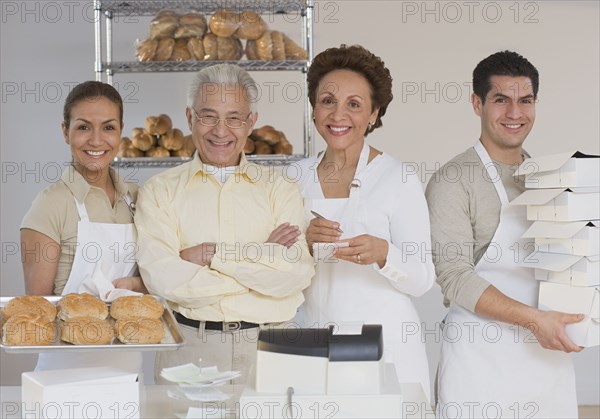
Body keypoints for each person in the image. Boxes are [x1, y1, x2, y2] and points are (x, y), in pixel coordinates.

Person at [425, 50, 582, 418]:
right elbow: (454, 277)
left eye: (525, 100)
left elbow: (566, 262)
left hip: (548, 360)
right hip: (480, 363)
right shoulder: (453, 180)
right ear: (477, 103)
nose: (515, 113)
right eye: (501, 100)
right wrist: (534, 320)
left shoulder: (549, 177)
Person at [134, 64, 315, 383]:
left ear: (251, 123)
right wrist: (260, 258)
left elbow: (295, 273)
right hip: (190, 349)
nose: (221, 130)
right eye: (208, 116)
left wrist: (210, 255)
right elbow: (164, 279)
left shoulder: (279, 187)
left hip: (272, 350)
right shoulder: (158, 191)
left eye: (234, 117)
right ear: (190, 118)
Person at [293, 45, 436, 402]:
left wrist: (384, 253)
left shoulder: (398, 178)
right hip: (314, 341)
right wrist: (303, 245)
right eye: (328, 100)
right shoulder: (293, 177)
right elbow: (276, 263)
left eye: (354, 104)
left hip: (387, 347)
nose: (338, 114)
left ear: (373, 114)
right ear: (314, 108)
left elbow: (422, 280)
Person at [20, 81, 146, 371]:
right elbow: (36, 308)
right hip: (65, 369)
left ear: (121, 131)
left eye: (108, 127)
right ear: (66, 132)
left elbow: (160, 275)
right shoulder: (50, 204)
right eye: (83, 127)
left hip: (126, 366)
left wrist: (138, 285)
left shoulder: (138, 199)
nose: (97, 140)